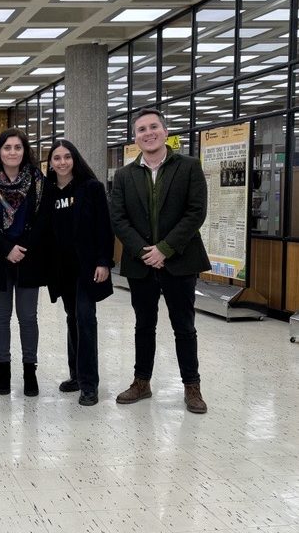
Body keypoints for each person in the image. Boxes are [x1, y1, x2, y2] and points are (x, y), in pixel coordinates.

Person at [110, 108, 210, 414]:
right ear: (135, 137)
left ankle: (192, 387)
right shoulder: (125, 175)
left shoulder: (189, 166)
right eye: (141, 129)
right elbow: (118, 218)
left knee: (184, 327)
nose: (148, 133)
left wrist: (165, 248)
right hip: (141, 264)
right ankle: (142, 382)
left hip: (179, 261)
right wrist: (144, 251)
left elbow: (196, 212)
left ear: (166, 132)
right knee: (144, 326)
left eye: (154, 127)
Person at [42, 140, 114, 407]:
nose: (62, 162)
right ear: (50, 163)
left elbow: (104, 228)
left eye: (67, 157)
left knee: (85, 320)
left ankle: (89, 384)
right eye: (57, 158)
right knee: (72, 318)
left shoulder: (91, 188)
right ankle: (75, 375)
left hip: (87, 269)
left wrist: (104, 262)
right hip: (62, 270)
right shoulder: (48, 192)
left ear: (75, 159)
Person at [0, 129, 46, 397]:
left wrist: (22, 248)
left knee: (28, 318)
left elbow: (42, 220)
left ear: (25, 151)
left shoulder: (38, 182)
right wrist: (7, 248)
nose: (13, 152)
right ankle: (3, 368)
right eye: (7, 147)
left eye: (18, 147)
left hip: (29, 257)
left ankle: (30, 370)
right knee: (1, 317)